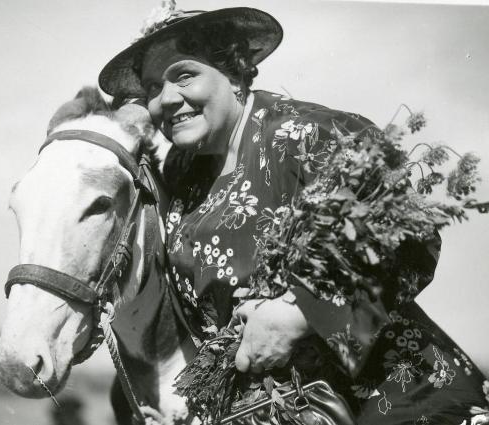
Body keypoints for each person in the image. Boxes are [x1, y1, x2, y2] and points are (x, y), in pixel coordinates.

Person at [98, 4, 489, 423]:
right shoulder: (178, 175)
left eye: (184, 75)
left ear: (233, 72)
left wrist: (301, 314)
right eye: (154, 87)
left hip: (401, 401)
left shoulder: (308, 134)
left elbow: (412, 242)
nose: (167, 99)